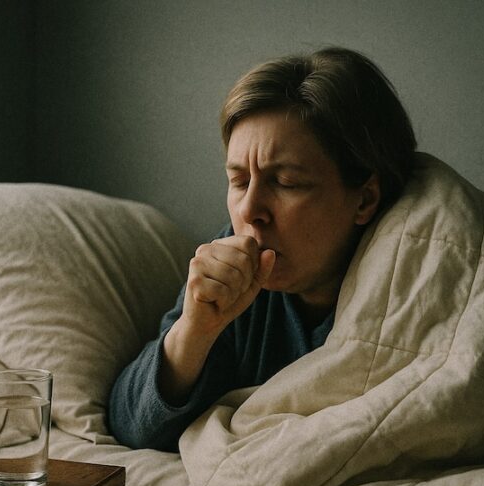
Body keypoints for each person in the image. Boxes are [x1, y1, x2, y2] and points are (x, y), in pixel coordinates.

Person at [107, 47, 417, 451]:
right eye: (238, 181)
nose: (250, 210)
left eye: (286, 182)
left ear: (364, 199)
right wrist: (194, 331)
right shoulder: (232, 272)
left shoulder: (411, 274)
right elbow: (128, 425)